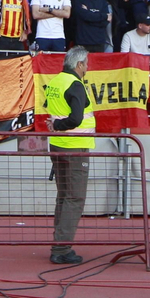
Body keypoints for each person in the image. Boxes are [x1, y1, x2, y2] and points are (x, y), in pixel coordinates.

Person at [43, 46, 94, 265]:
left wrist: (56, 125)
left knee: (64, 196)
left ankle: (59, 243)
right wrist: (60, 124)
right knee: (74, 198)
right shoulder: (75, 84)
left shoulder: (55, 81)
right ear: (79, 65)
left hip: (57, 146)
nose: (88, 68)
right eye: (86, 64)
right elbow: (75, 119)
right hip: (75, 147)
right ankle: (61, 248)